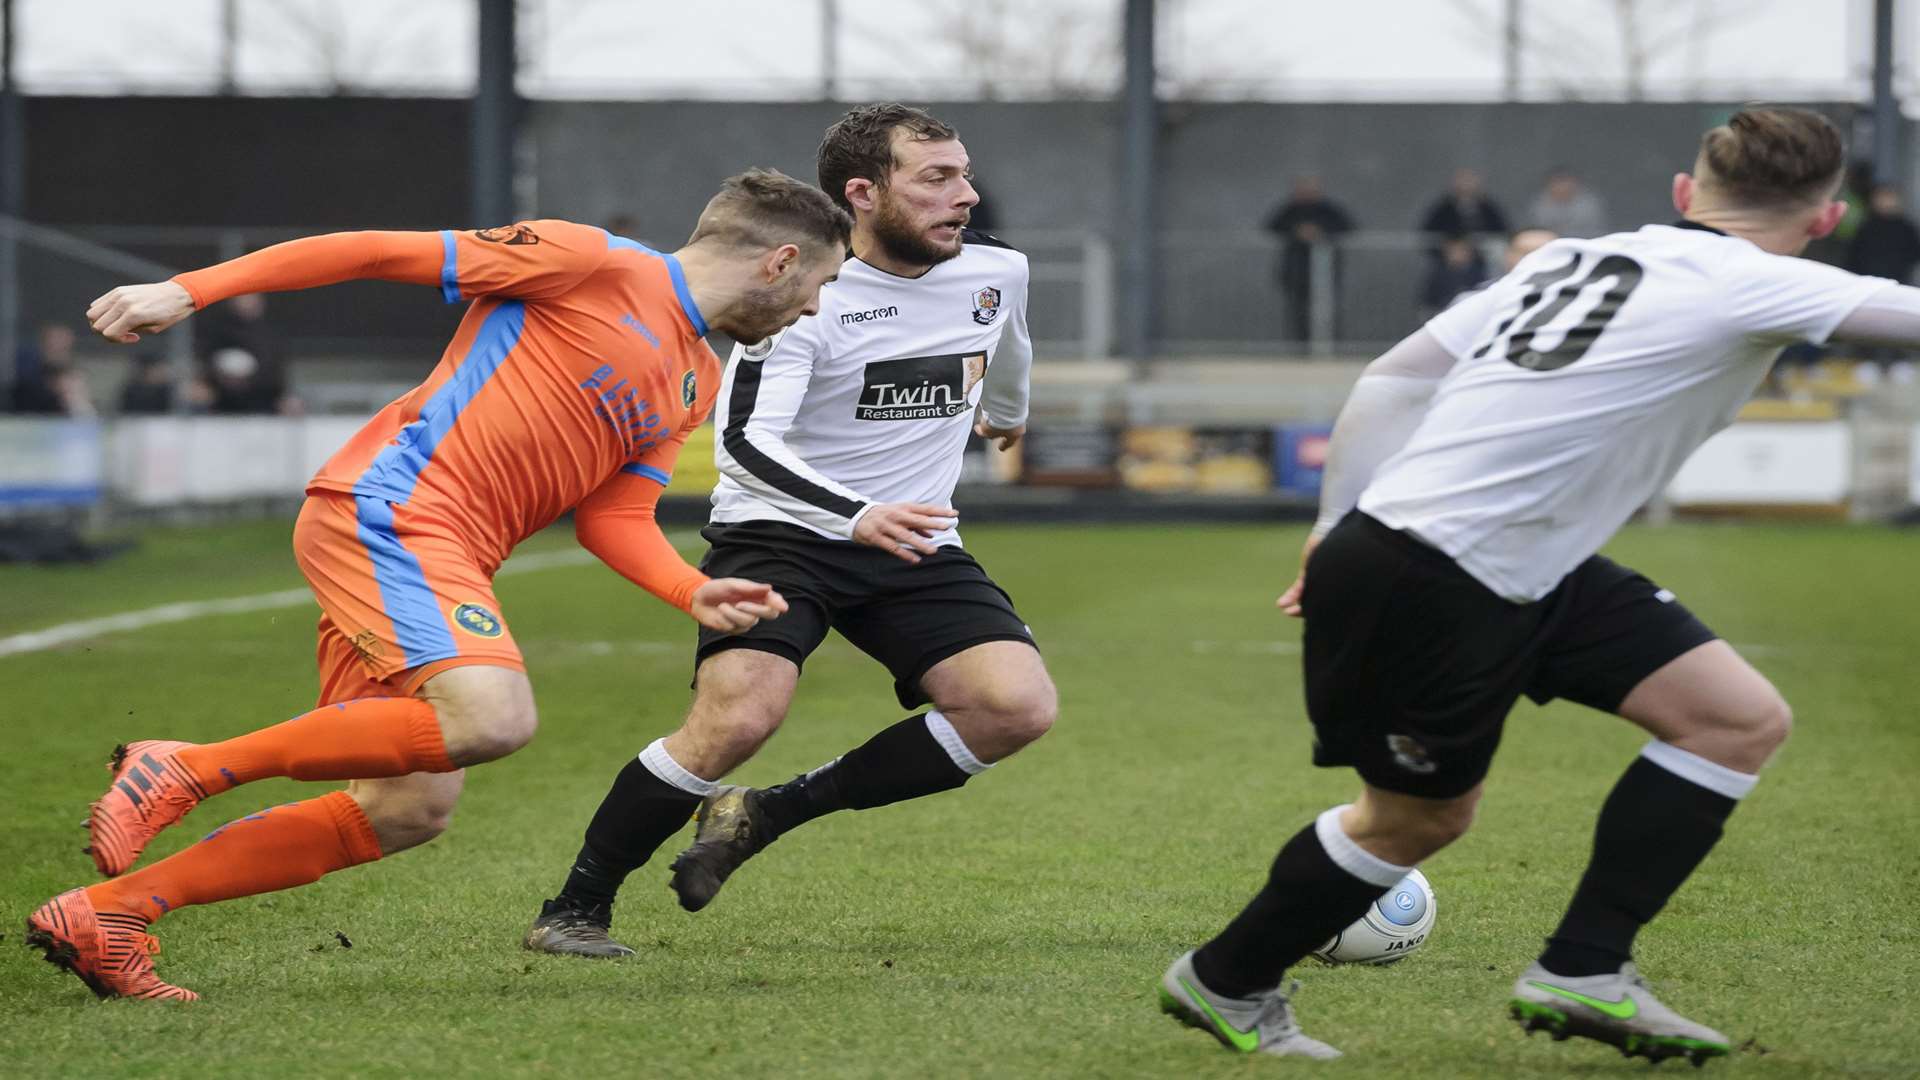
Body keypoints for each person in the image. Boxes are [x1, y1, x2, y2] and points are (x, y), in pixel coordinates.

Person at [1159, 107, 1920, 1064]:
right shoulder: (1755, 281)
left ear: (1685, 196)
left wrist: (1328, 524)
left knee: (1736, 718)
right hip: (1433, 568)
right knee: (1419, 819)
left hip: (1512, 561)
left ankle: (1585, 971)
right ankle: (1226, 979)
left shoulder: (1571, 258)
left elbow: (1394, 379)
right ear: (1824, 220)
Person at [25, 169, 853, 1002]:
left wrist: (690, 592)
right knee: (493, 718)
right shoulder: (592, 261)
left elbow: (614, 518)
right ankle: (187, 766)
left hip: (448, 551)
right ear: (781, 262)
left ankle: (110, 913)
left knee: (404, 810)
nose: (814, 309)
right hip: (392, 511)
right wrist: (188, 290)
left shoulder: (695, 379)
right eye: (820, 285)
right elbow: (374, 251)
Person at [524, 103, 1054, 957]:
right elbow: (742, 442)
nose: (966, 193)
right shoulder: (806, 290)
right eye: (937, 178)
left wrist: (1007, 416)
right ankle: (575, 907)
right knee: (737, 719)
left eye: (963, 173)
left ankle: (766, 813)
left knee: (1015, 705)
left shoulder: (998, 271)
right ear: (864, 192)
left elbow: (1010, 347)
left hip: (912, 540)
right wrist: (856, 512)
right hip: (782, 535)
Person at [1264, 176, 1354, 343]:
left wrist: (1321, 232)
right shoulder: (1290, 210)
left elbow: (1347, 226)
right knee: (1298, 311)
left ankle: (1329, 346)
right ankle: (1301, 346)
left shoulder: (1328, 209)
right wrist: (1296, 232)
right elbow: (1272, 226)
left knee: (1326, 309)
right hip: (1296, 270)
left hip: (1326, 272)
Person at [9, 322, 95, 416]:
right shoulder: (25, 383)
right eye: (53, 346)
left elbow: (87, 420)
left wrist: (75, 398)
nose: (59, 351)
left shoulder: (76, 380)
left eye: (63, 348)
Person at [1847, 184, 1920, 284]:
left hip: (1897, 279)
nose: (1885, 201)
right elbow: (1855, 253)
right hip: (1868, 279)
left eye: (1889, 197)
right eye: (1881, 197)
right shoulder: (1867, 226)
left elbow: (1914, 252)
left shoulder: (1906, 227)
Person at [1419, 168, 1508, 239]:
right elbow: (1428, 233)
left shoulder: (1488, 208)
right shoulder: (1443, 208)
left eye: (1469, 180)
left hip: (1482, 256)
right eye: (1463, 180)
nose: (1466, 185)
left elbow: (1502, 231)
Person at [1527, 167, 1609, 238]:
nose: (1563, 187)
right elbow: (1535, 232)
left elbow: (1597, 231)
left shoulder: (1589, 205)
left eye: (1566, 182)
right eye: (1558, 182)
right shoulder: (1539, 206)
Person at [1419, 233, 1487, 317]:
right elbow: (1427, 303)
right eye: (1454, 251)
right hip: (1443, 316)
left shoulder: (1478, 274)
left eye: (1462, 250)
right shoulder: (1438, 275)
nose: (1457, 254)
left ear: (1470, 252)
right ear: (1446, 252)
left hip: (1472, 316)